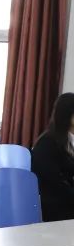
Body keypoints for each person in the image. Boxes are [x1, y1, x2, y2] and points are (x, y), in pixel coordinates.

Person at [31, 92, 74, 221]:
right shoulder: (47, 143)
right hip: (54, 205)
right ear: (68, 115)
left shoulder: (69, 140)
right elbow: (54, 183)